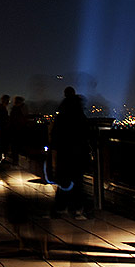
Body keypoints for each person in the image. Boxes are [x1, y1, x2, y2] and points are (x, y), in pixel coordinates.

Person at [49, 87, 90, 220]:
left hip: (64, 153)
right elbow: (86, 133)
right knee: (78, 182)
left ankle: (60, 208)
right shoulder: (80, 112)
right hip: (78, 153)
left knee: (64, 183)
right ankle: (78, 209)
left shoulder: (62, 113)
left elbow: (55, 135)